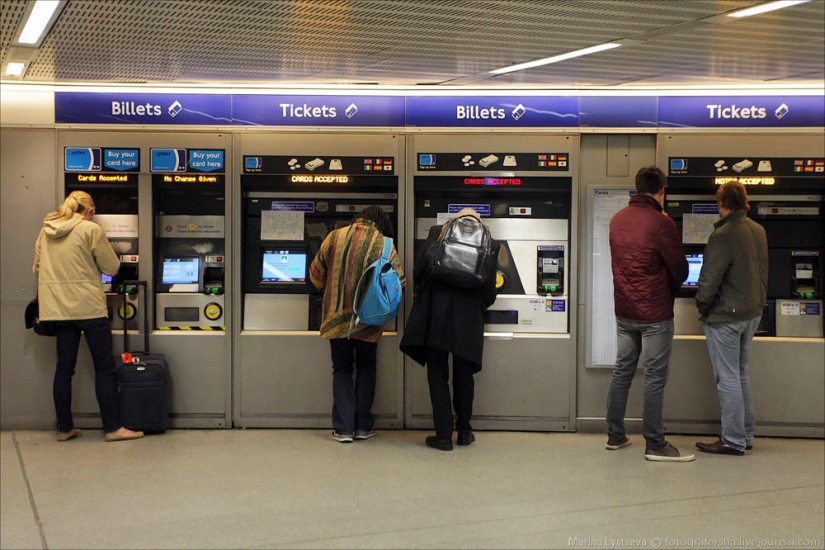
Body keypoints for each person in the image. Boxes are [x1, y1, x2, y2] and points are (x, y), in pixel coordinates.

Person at [32, 191, 144, 443]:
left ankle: (64, 427)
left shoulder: (45, 231)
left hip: (59, 310)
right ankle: (113, 428)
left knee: (63, 370)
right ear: (89, 211)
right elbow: (111, 267)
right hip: (89, 308)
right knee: (103, 369)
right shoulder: (89, 230)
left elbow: (37, 268)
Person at [606, 166, 693, 462]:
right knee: (654, 377)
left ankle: (615, 435)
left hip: (625, 310)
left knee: (623, 371)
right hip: (655, 313)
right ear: (662, 189)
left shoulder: (617, 220)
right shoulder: (661, 222)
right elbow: (681, 270)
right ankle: (655, 443)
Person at [400, 208, 499, 451]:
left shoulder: (437, 232)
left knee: (437, 374)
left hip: (436, 313)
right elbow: (489, 291)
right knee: (464, 376)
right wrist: (478, 303)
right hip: (469, 317)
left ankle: (443, 435)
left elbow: (419, 271)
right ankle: (465, 432)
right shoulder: (490, 242)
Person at [310, 206, 405, 443]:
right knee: (366, 368)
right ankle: (363, 426)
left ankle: (343, 429)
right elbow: (399, 281)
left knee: (341, 370)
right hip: (369, 317)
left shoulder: (333, 237)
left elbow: (316, 276)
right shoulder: (384, 244)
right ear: (381, 223)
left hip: (336, 318)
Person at [695, 181, 768, 456]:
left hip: (726, 316)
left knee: (726, 377)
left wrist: (702, 304)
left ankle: (733, 440)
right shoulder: (758, 231)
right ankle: (745, 435)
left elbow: (710, 278)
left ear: (721, 202)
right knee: (740, 374)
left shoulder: (724, 234)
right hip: (752, 313)